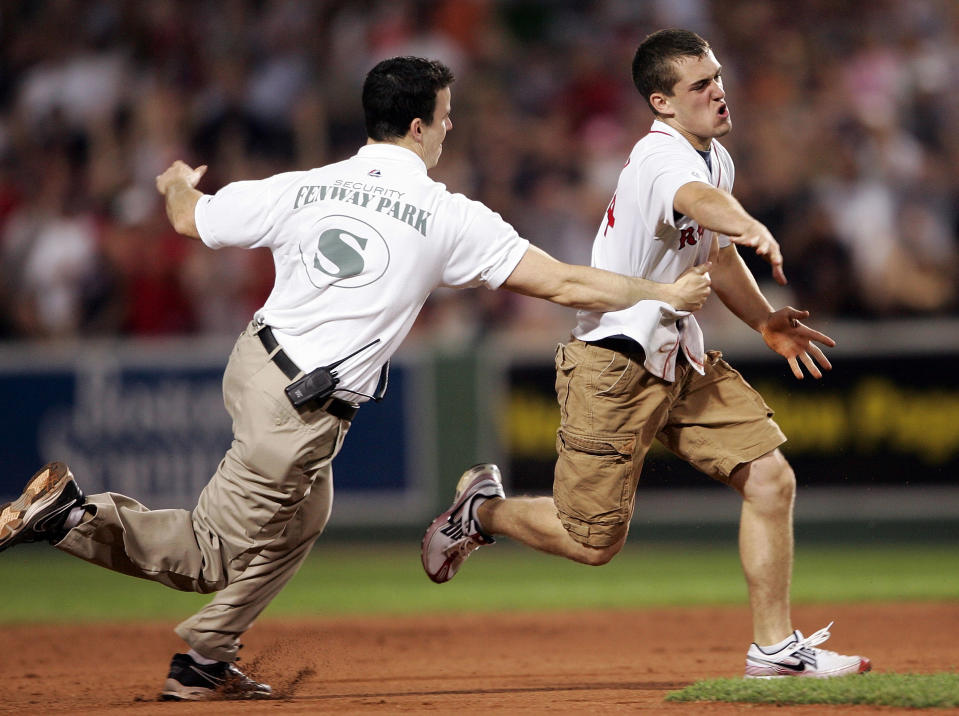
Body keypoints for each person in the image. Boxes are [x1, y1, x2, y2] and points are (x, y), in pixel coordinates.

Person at [0, 56, 715, 701]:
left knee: (306, 514)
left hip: (256, 362)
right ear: (416, 126)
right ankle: (70, 515)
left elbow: (192, 221)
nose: (449, 125)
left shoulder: (307, 183)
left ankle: (205, 659)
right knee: (210, 556)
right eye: (444, 114)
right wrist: (654, 294)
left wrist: (177, 185)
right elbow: (560, 281)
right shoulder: (444, 214)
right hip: (300, 409)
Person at [422, 29, 871, 679]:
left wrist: (763, 317)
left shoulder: (713, 156)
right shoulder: (660, 158)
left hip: (677, 356)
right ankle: (481, 511)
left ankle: (772, 650)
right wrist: (745, 220)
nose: (717, 91)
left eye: (716, 77)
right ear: (661, 103)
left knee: (769, 477)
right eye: (699, 85)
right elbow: (699, 205)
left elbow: (714, 254)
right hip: (612, 362)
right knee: (590, 541)